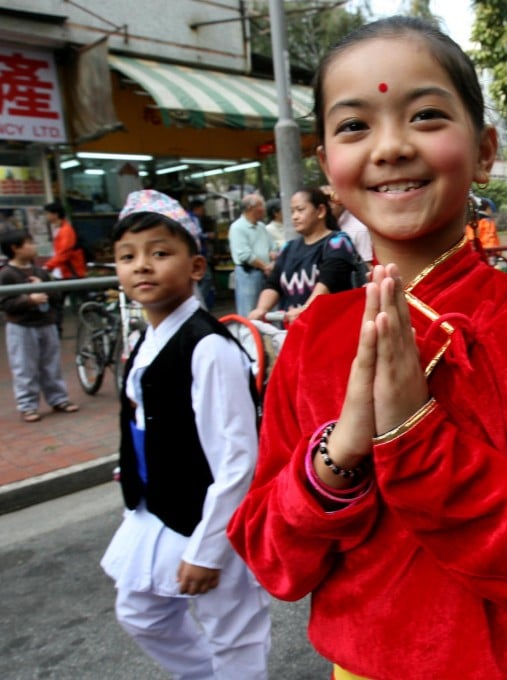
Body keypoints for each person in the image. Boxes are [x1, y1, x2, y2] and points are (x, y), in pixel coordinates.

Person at [226, 17, 507, 680]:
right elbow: (272, 559)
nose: (390, 148)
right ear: (328, 166)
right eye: (355, 126)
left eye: (424, 115)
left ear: (485, 149)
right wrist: (337, 456)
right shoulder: (314, 334)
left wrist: (419, 440)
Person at [100, 189, 271, 679]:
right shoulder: (144, 340)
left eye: (160, 253)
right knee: (141, 613)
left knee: (234, 632)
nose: (142, 267)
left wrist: (209, 549)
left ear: (196, 267)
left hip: (210, 515)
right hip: (159, 507)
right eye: (127, 257)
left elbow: (238, 460)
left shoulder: (209, 348)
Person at [248, 186, 361, 325]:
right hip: (295, 330)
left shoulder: (338, 242)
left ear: (320, 211)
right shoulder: (288, 248)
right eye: (292, 211)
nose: (294, 216)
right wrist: (261, 309)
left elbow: (328, 281)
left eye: (300, 210)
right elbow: (273, 283)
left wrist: (306, 309)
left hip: (331, 329)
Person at [0, 230, 79, 422]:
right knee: (24, 367)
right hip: (21, 327)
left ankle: (58, 399)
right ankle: (27, 406)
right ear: (15, 248)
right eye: (29, 243)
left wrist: (43, 287)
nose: (34, 246)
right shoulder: (7, 274)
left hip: (46, 324)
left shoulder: (40, 272)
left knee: (51, 364)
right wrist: (29, 300)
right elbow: (4, 303)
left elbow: (57, 296)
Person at [228, 194, 273, 317]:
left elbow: (272, 248)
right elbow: (245, 255)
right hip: (249, 274)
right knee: (249, 311)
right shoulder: (237, 227)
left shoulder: (262, 227)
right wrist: (265, 267)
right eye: (260, 205)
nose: (263, 209)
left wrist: (273, 261)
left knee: (267, 311)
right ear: (250, 208)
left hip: (266, 272)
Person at [42, 201, 86, 280]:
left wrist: (48, 266)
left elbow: (64, 252)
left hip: (70, 272)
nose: (46, 216)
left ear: (55, 214)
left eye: (47, 213)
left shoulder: (65, 230)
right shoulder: (59, 228)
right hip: (63, 271)